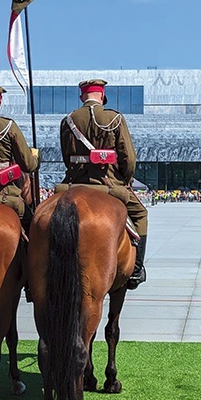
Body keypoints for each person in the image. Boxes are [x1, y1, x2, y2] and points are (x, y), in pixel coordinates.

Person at [60, 79, 148, 290]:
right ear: (102, 96)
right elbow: (129, 159)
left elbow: (66, 156)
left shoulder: (69, 120)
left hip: (74, 184)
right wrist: (124, 180)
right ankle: (136, 270)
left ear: (82, 97)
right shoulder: (114, 118)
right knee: (141, 215)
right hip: (109, 184)